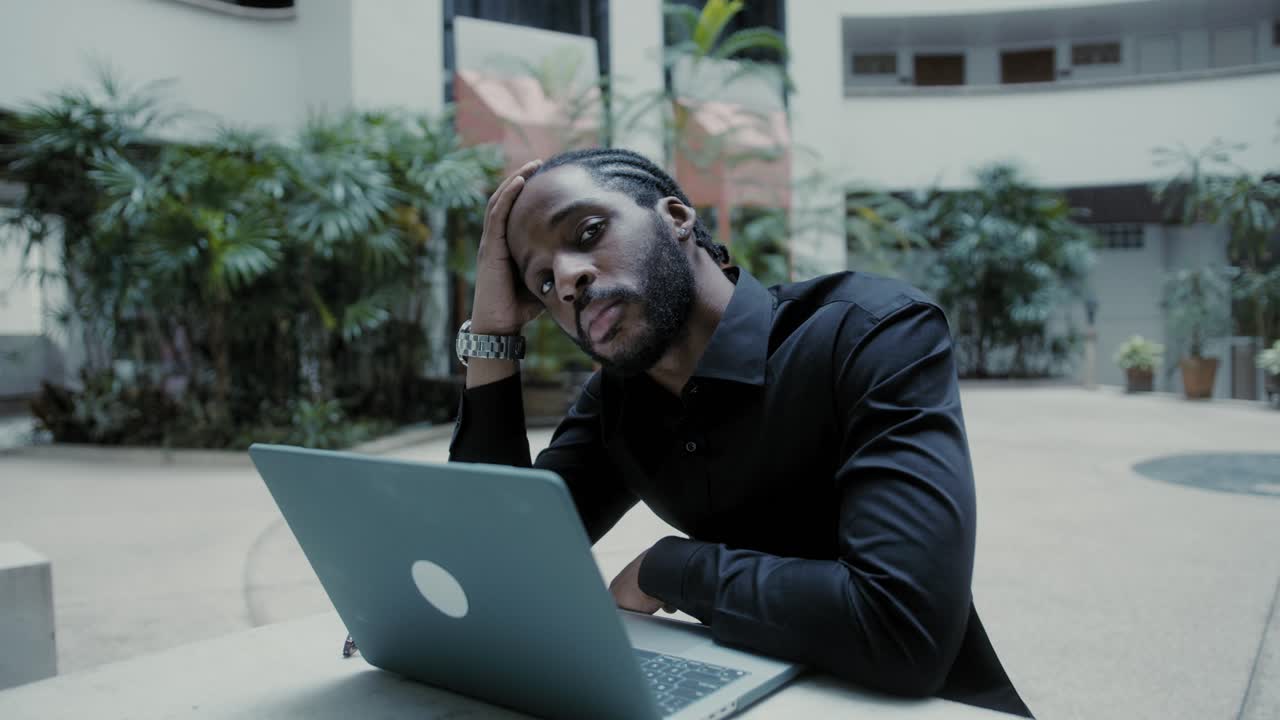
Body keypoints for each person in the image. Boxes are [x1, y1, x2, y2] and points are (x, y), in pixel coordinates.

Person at [448, 148, 1033, 718]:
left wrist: (671, 569)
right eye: (543, 283)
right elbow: (495, 568)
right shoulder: (618, 405)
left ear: (675, 217)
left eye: (588, 232)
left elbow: (902, 628)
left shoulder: (871, 336)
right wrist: (494, 329)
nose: (569, 279)